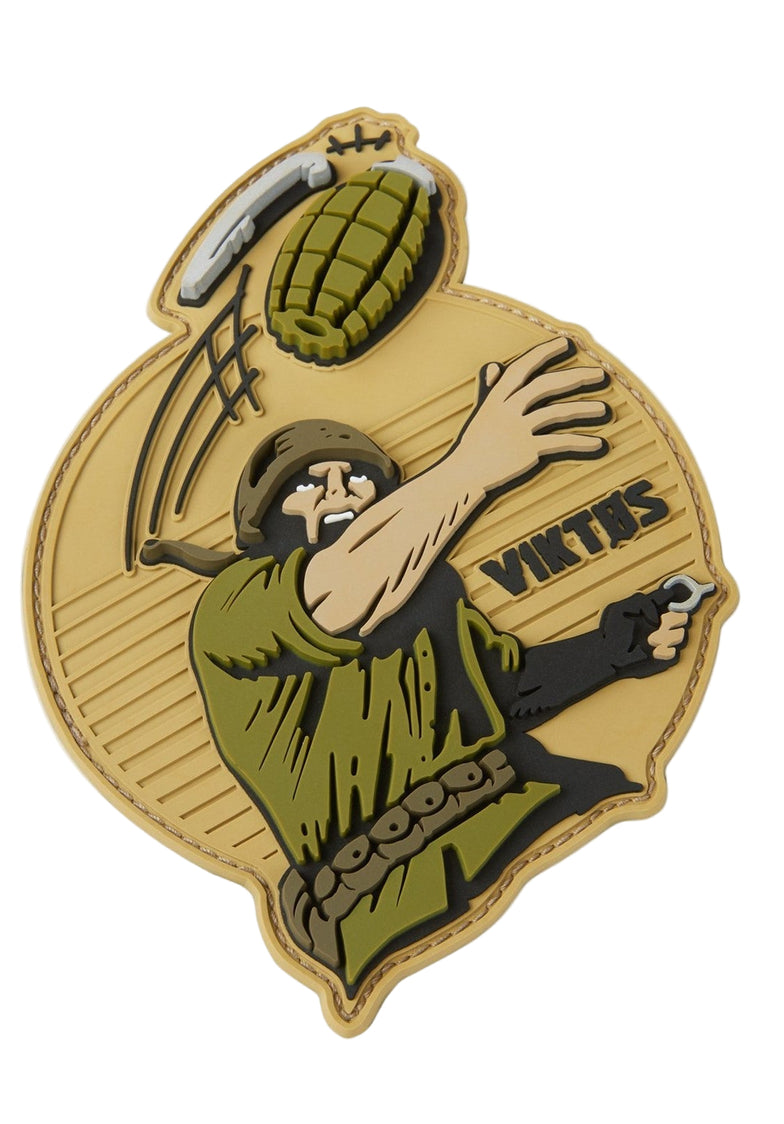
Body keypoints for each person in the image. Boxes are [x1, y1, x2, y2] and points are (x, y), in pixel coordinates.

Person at [156, 338, 691, 990]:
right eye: (308, 484)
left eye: (356, 476)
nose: (338, 491)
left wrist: (619, 646)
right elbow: (341, 591)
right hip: (388, 893)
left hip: (523, 803)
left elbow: (506, 690)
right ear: (263, 522)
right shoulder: (234, 607)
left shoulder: (430, 591)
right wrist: (473, 467)